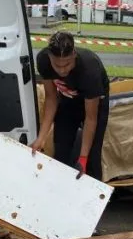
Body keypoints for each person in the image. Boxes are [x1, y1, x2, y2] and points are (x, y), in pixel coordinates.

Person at [30, 31, 110, 180]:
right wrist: (41, 138)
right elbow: (51, 98)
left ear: (74, 54)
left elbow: (91, 118)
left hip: (94, 104)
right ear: (49, 57)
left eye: (67, 64)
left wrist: (83, 158)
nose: (62, 70)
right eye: (57, 65)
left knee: (91, 157)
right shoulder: (43, 60)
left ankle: (93, 187)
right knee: (61, 151)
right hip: (67, 99)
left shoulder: (89, 69)